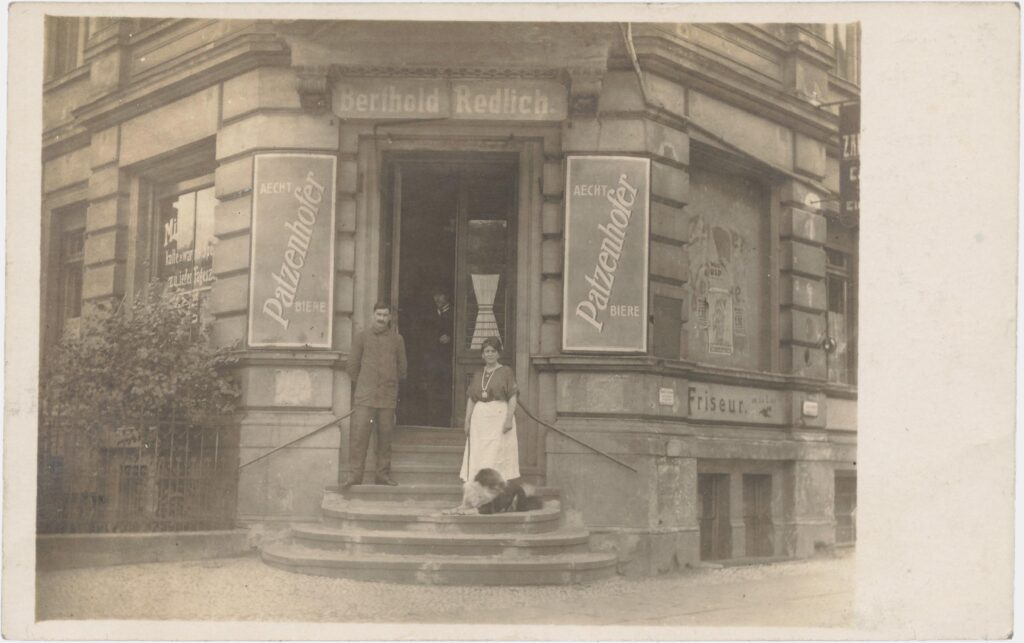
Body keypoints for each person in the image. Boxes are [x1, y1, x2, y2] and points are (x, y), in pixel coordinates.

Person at [343, 301, 407, 489]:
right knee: (359, 437)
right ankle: (355, 476)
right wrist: (365, 384)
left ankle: (383, 475)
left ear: (390, 318)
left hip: (387, 398)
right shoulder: (361, 337)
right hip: (365, 397)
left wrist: (389, 382)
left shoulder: (397, 340)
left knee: (385, 438)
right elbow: (352, 367)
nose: (381, 318)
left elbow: (402, 368)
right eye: (378, 315)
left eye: (385, 315)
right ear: (373, 315)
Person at [459, 337, 519, 483]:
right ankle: (478, 484)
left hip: (499, 415)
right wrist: (467, 421)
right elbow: (472, 398)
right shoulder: (478, 373)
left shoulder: (506, 371)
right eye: (487, 351)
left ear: (498, 354)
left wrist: (509, 419)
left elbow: (512, 397)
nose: (490, 354)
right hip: (480, 418)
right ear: (482, 355)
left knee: (498, 452)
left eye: (493, 351)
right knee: (479, 451)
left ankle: (497, 486)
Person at [424, 289, 454, 425]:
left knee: (446, 388)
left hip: (449, 359)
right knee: (433, 387)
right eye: (435, 294)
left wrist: (451, 338)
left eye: (440, 294)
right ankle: (433, 420)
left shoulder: (455, 312)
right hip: (433, 358)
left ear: (446, 296)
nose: (437, 298)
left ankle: (446, 420)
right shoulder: (430, 314)